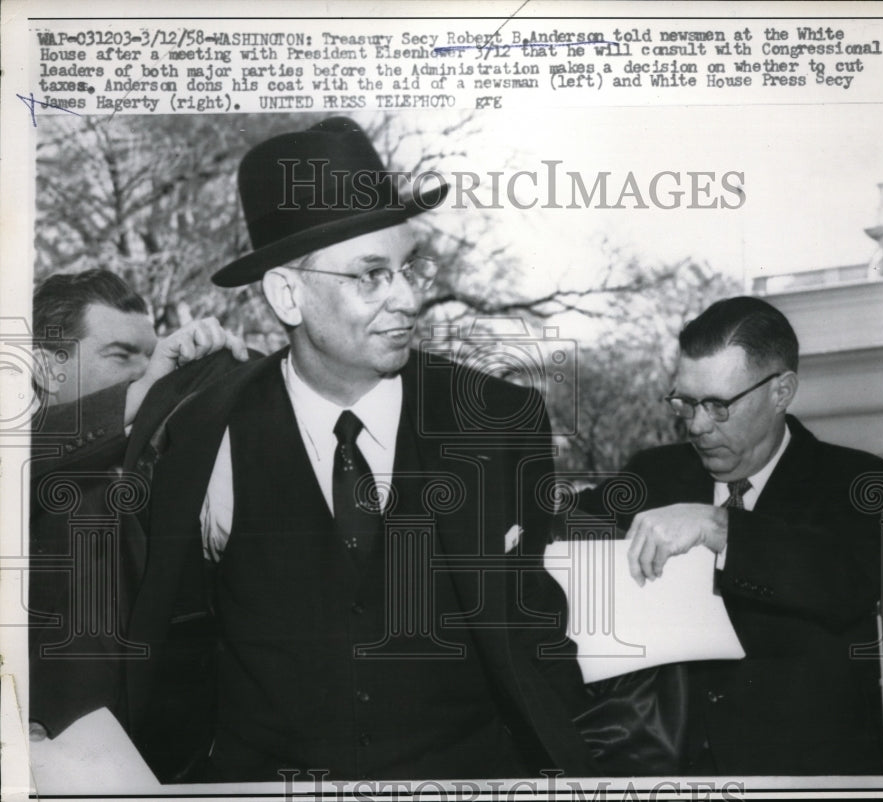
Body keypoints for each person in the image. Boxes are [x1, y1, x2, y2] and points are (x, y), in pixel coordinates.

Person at [125, 117, 594, 782]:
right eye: (371, 275)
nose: (406, 298)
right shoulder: (206, 433)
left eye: (407, 269)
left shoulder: (495, 421)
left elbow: (535, 636)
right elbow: (168, 651)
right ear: (288, 293)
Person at [576, 296, 883, 775]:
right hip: (666, 771)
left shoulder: (854, 479)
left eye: (719, 405)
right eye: (687, 402)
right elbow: (561, 533)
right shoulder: (651, 473)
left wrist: (718, 526)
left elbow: (845, 583)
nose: (698, 426)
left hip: (797, 776)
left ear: (781, 391)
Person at [29, 269, 248, 741]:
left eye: (149, 355)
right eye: (121, 355)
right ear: (46, 370)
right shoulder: (26, 455)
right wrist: (144, 392)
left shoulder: (153, 461)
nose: (145, 371)